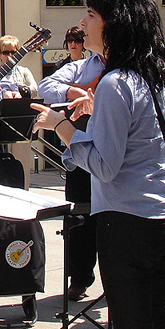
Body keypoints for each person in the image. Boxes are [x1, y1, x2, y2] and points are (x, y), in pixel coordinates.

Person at [33, 0, 165, 329]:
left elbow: (104, 165)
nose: (83, 23)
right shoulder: (156, 76)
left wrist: (59, 127)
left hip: (128, 220)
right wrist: (96, 116)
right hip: (161, 213)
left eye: (92, 16)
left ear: (114, 25)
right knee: (155, 324)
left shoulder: (116, 83)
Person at [38, 23, 108, 301]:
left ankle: (117, 286)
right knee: (79, 218)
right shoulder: (82, 67)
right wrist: (75, 93)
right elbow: (46, 85)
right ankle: (79, 278)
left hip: (111, 149)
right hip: (81, 148)